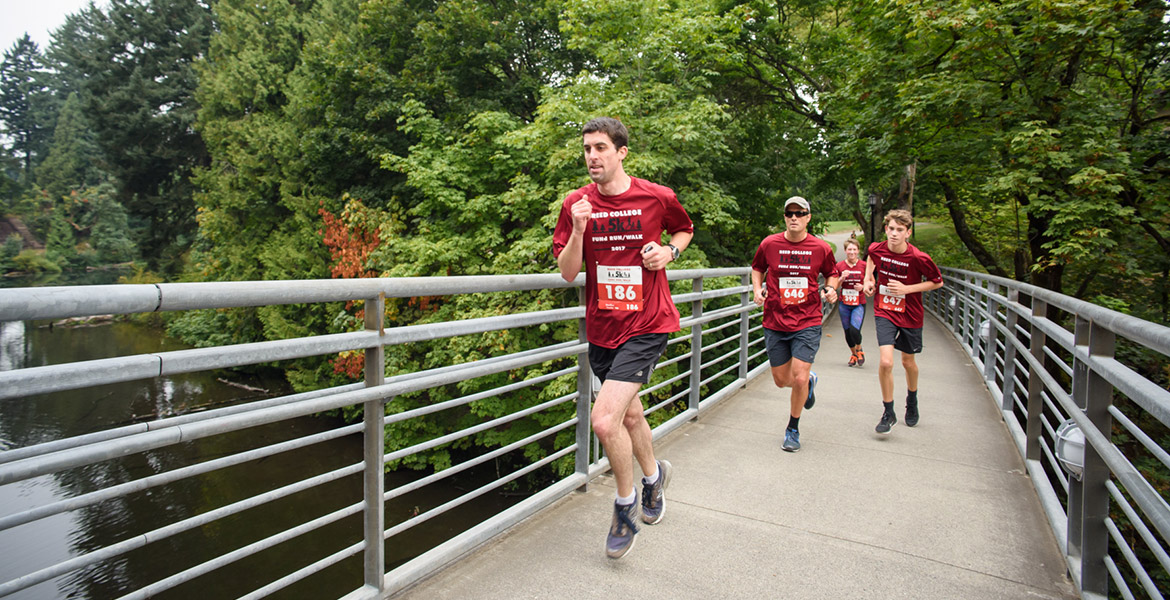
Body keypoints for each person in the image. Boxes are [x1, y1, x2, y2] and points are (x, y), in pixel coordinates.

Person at [552, 117, 694, 559]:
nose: (592, 156)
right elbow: (568, 271)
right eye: (587, 149)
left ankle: (625, 505)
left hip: (648, 323)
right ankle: (654, 479)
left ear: (621, 153)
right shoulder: (576, 203)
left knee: (603, 420)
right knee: (630, 417)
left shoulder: (656, 196)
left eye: (600, 148)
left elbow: (684, 229)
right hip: (603, 327)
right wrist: (577, 230)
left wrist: (669, 252)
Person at [750, 196, 839, 453]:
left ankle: (793, 428)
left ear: (808, 217)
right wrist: (757, 289)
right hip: (775, 320)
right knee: (781, 380)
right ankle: (809, 382)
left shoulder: (820, 248)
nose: (794, 218)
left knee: (798, 376)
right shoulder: (770, 244)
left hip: (808, 320)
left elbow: (831, 273)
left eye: (800, 213)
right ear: (785, 217)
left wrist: (831, 289)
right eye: (790, 213)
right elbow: (757, 267)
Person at [862, 209, 944, 434]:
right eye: (891, 229)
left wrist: (908, 289)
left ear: (908, 233)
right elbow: (871, 257)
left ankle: (912, 398)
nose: (894, 234)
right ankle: (888, 412)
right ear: (885, 229)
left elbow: (937, 282)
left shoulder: (918, 257)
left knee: (908, 362)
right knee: (886, 362)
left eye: (900, 230)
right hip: (885, 310)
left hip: (910, 313)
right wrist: (869, 279)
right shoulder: (877, 248)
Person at [835, 237, 867, 367]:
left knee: (855, 330)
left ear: (858, 251)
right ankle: (854, 354)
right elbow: (834, 285)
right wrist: (841, 278)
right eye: (849, 249)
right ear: (845, 251)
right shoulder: (840, 266)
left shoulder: (864, 266)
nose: (852, 252)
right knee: (847, 332)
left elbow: (872, 284)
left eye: (854, 249)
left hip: (858, 303)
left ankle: (859, 349)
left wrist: (863, 287)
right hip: (844, 303)